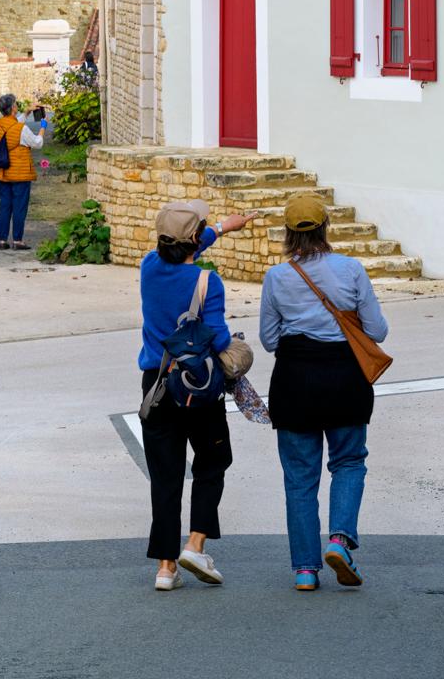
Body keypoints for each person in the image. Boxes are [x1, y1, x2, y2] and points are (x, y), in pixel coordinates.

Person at [259, 193, 390, 593]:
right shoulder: (351, 270)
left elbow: (267, 339)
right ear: (325, 228)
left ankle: (304, 570)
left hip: (294, 381)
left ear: (287, 233)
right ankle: (339, 540)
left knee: (300, 478)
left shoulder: (277, 277)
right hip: (345, 379)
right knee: (349, 462)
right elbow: (378, 331)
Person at [138, 199, 258, 591]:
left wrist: (223, 228)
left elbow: (186, 247)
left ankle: (165, 567)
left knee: (165, 476)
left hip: (156, 385)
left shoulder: (148, 269)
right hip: (199, 387)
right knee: (212, 460)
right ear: (193, 239)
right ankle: (196, 543)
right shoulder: (208, 282)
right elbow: (218, 337)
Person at [0, 93, 45, 250]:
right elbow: (37, 143)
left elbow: (12, 127)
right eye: (15, 104)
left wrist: (27, 112)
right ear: (13, 108)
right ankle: (18, 240)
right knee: (19, 206)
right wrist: (43, 128)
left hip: (4, 172)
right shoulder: (22, 129)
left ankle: (2, 239)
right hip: (20, 174)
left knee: (5, 205)